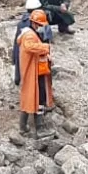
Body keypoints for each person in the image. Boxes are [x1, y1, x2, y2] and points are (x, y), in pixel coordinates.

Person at [16, 9, 54, 137]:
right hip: (35, 73)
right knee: (39, 99)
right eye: (42, 25)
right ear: (35, 24)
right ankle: (40, 129)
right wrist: (45, 47)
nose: (43, 28)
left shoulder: (30, 34)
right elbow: (30, 47)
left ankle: (23, 127)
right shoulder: (29, 35)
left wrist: (45, 54)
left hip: (36, 72)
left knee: (29, 98)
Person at [12, 0, 47, 86]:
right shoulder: (37, 23)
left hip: (21, 54)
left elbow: (16, 44)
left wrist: (14, 59)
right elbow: (44, 40)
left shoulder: (21, 23)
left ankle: (18, 79)